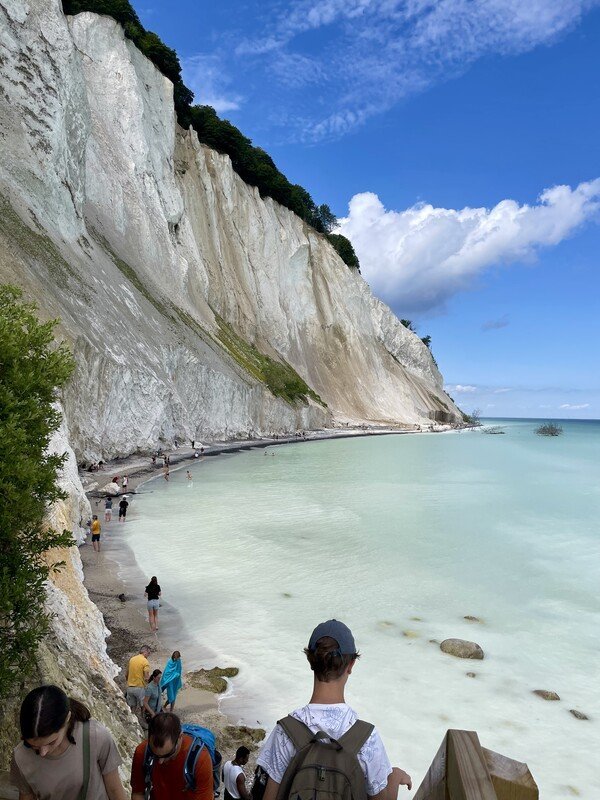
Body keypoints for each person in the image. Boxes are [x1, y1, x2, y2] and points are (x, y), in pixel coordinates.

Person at [257, 620, 412, 800]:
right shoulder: (367, 739)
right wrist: (393, 778)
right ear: (351, 665)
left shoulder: (285, 733)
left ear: (310, 661)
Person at [10, 684, 126, 800]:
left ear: (67, 719)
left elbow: (114, 790)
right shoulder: (21, 756)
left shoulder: (95, 737)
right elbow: (27, 796)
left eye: (51, 743)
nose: (43, 753)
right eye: (33, 746)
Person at [130, 712, 213, 800]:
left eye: (168, 755)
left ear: (180, 737)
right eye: (155, 755)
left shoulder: (200, 760)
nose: (160, 761)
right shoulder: (142, 752)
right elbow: (138, 793)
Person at [126, 646, 151, 726]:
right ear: (145, 652)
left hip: (130, 687)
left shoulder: (132, 659)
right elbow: (146, 677)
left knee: (133, 706)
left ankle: (133, 722)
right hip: (139, 687)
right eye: (149, 653)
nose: (149, 655)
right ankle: (142, 721)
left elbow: (126, 674)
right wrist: (148, 683)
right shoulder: (145, 661)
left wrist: (129, 682)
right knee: (142, 706)